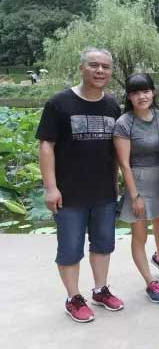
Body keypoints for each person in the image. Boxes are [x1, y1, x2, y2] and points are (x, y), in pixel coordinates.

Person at [37, 47, 123, 323]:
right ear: (81, 68)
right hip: (69, 193)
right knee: (70, 248)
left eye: (105, 67)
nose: (100, 71)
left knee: (103, 243)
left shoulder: (112, 106)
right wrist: (50, 187)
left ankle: (100, 290)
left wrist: (116, 182)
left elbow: (115, 150)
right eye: (94, 65)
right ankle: (73, 298)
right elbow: (46, 146)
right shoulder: (59, 103)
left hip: (104, 192)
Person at [113, 73, 159, 304]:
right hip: (137, 180)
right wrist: (135, 196)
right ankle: (150, 281)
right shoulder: (124, 123)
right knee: (140, 233)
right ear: (129, 96)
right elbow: (124, 163)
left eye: (146, 91)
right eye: (136, 92)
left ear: (153, 92)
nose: (142, 96)